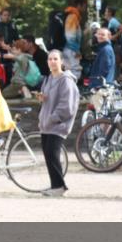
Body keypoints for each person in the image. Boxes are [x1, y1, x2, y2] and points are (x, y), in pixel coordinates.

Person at [37, 50, 79, 196]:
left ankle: (60, 186)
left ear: (61, 61)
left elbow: (67, 105)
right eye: (50, 59)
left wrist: (53, 118)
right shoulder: (48, 78)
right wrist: (42, 98)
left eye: (55, 59)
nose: (52, 61)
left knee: (52, 154)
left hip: (58, 124)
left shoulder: (66, 80)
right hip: (46, 125)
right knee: (48, 155)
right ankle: (55, 185)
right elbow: (48, 98)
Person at [62, 0, 85, 75]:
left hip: (69, 48)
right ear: (79, 6)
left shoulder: (72, 16)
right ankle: (71, 86)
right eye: (84, 6)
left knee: (69, 69)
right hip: (71, 49)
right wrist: (76, 49)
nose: (84, 9)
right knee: (74, 70)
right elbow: (70, 35)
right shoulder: (73, 16)